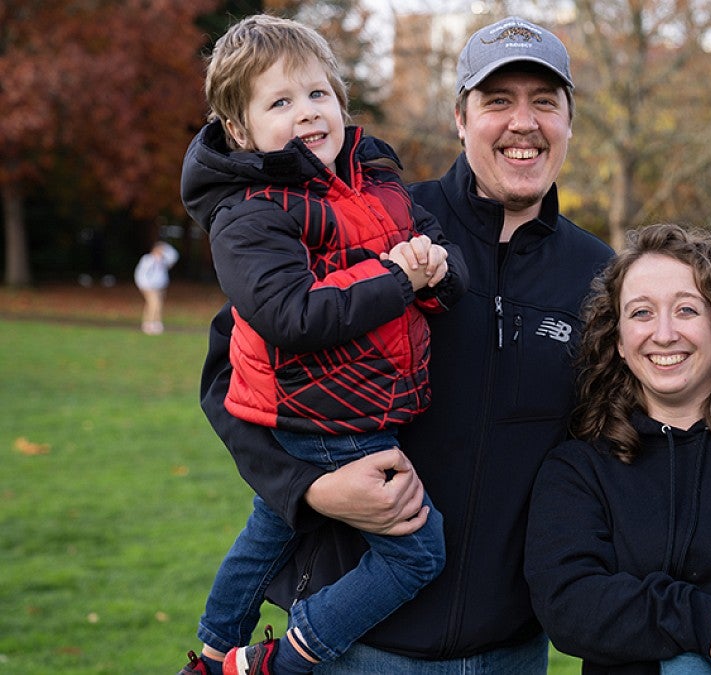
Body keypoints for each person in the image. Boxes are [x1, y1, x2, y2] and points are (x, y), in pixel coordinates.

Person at [191, 14, 614, 673]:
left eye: (545, 103)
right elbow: (231, 382)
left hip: (514, 649)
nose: (522, 123)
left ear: (569, 120)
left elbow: (634, 432)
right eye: (497, 101)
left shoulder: (600, 275)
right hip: (359, 642)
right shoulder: (375, 223)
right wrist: (310, 486)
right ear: (460, 117)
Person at [176, 14, 468, 675]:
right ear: (242, 131)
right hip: (327, 413)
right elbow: (291, 314)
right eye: (280, 102)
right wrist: (398, 277)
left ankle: (216, 649)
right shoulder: (251, 212)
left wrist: (438, 267)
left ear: (340, 101)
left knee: (268, 529)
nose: (307, 113)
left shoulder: (375, 177)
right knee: (418, 551)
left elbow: (439, 255)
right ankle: (291, 655)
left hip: (359, 400)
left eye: (317, 94)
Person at [523, 222, 711, 674]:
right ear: (617, 341)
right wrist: (705, 618)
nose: (664, 333)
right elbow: (569, 603)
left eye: (687, 310)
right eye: (640, 313)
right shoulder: (579, 469)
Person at [133, 240, 178, 334]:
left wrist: (165, 246)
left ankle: (156, 322)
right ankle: (149, 324)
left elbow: (174, 256)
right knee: (154, 303)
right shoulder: (148, 259)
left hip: (159, 286)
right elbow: (141, 273)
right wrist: (144, 284)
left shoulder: (163, 261)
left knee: (157, 304)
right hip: (148, 286)